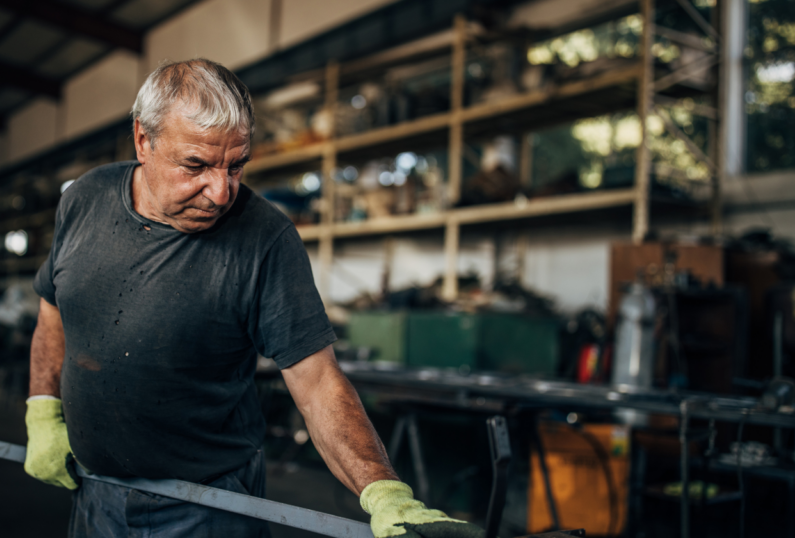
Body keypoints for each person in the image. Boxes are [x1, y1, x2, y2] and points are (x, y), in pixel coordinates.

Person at [24, 59, 485, 538]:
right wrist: (43, 406)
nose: (221, 192)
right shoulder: (83, 200)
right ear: (144, 140)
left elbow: (317, 382)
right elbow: (53, 308)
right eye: (196, 166)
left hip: (206, 505)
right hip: (95, 490)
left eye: (236, 165)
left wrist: (384, 492)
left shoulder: (265, 239)